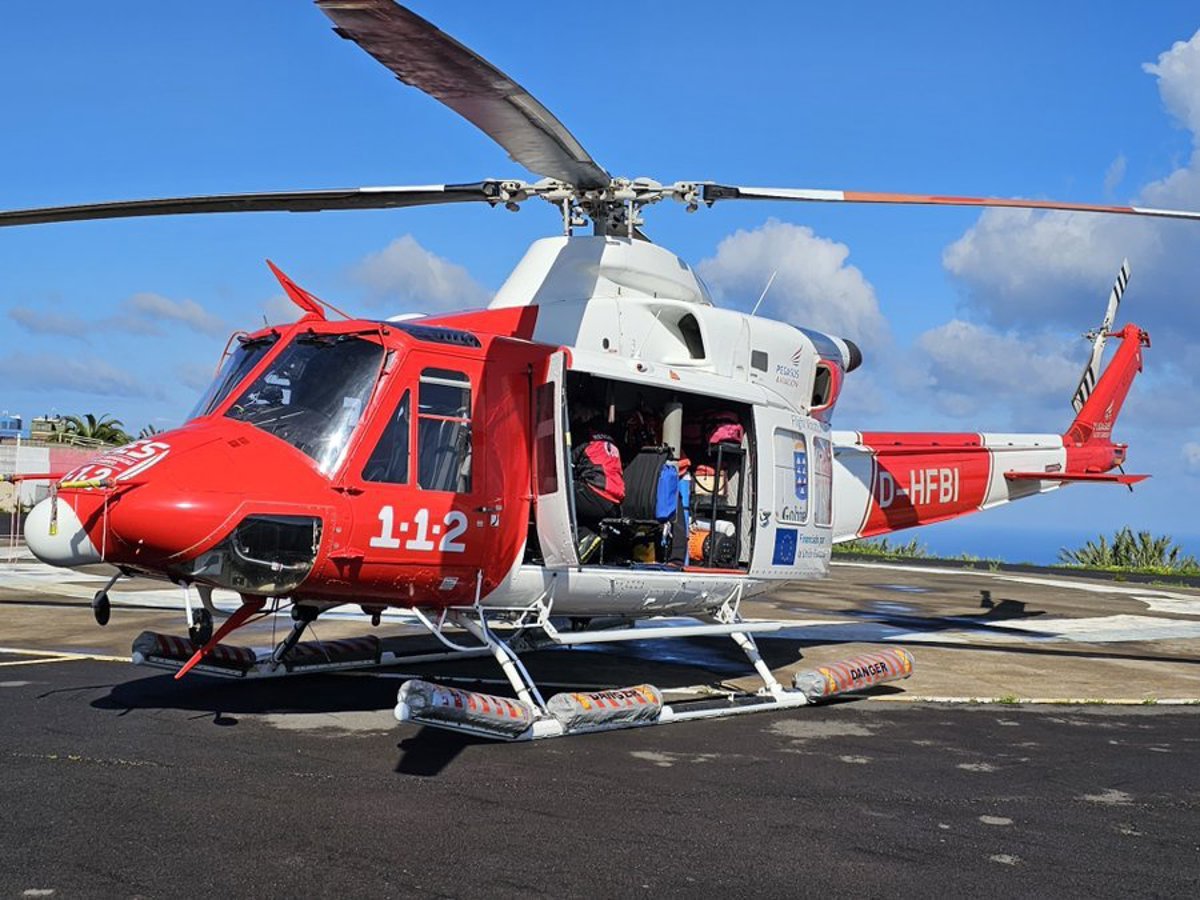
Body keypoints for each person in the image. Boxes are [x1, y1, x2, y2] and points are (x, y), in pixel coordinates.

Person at [571, 404, 625, 562]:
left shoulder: (583, 438)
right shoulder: (609, 440)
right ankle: (591, 540)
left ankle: (584, 536)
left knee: (557, 492)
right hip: (615, 503)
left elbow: (566, 467)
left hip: (596, 493)